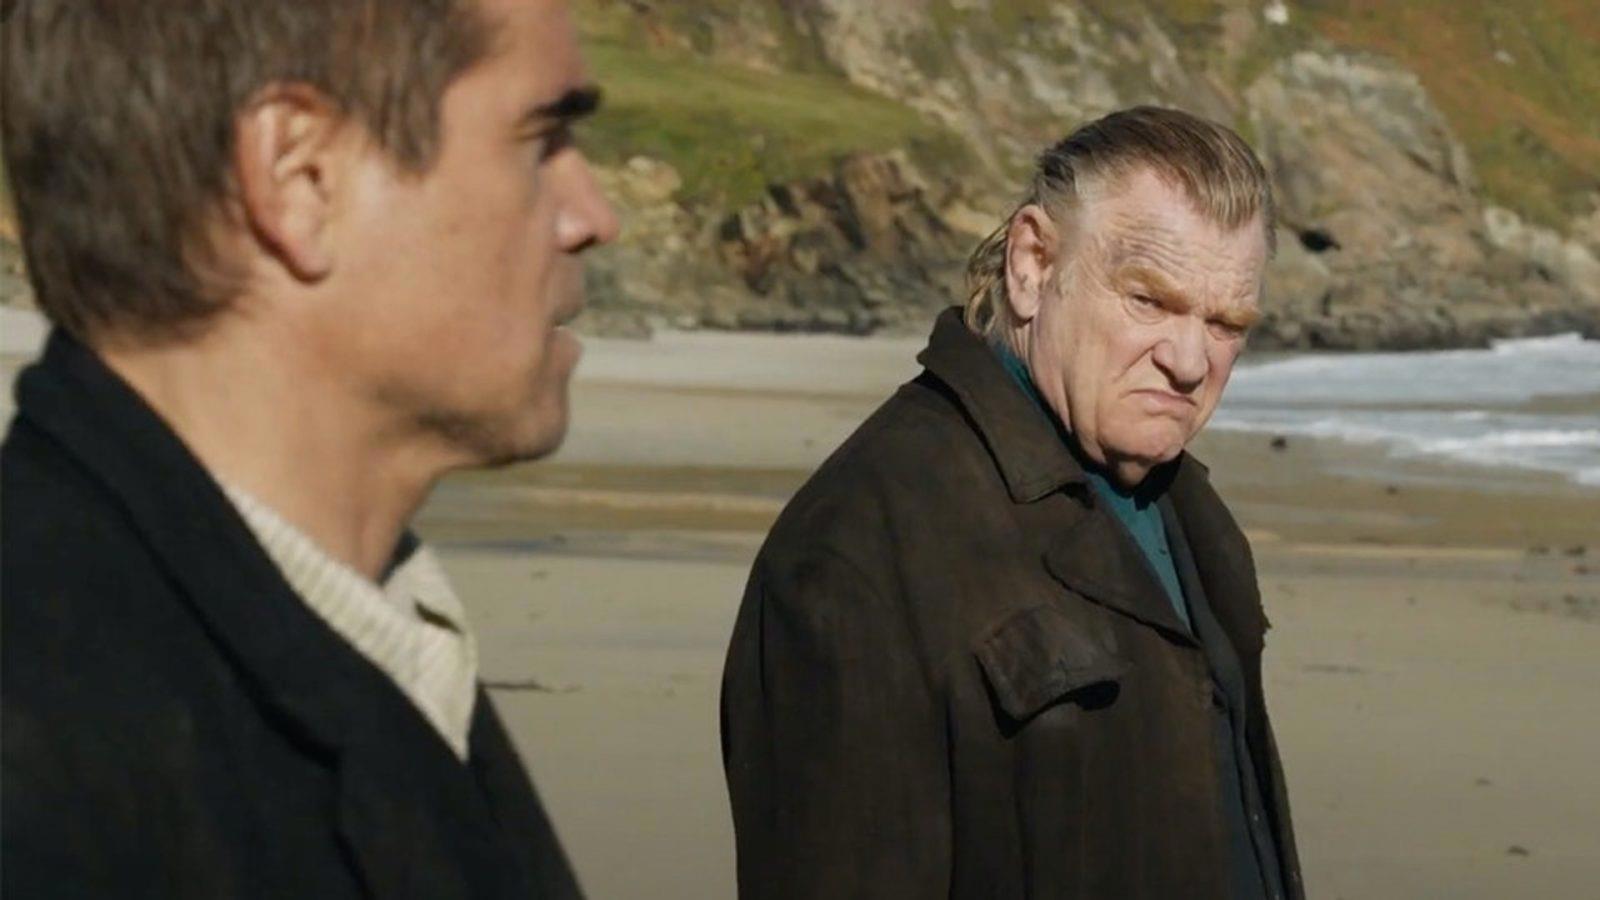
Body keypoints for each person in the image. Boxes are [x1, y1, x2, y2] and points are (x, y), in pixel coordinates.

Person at [1, 0, 617, 896]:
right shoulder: (49, 752)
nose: (593, 216)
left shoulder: (377, 640)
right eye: (541, 140)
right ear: (300, 177)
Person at [722, 106, 1303, 899]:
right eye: (1150, 301)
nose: (1190, 361)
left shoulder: (1191, 513)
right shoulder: (857, 547)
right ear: (1033, 263)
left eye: (1227, 322)